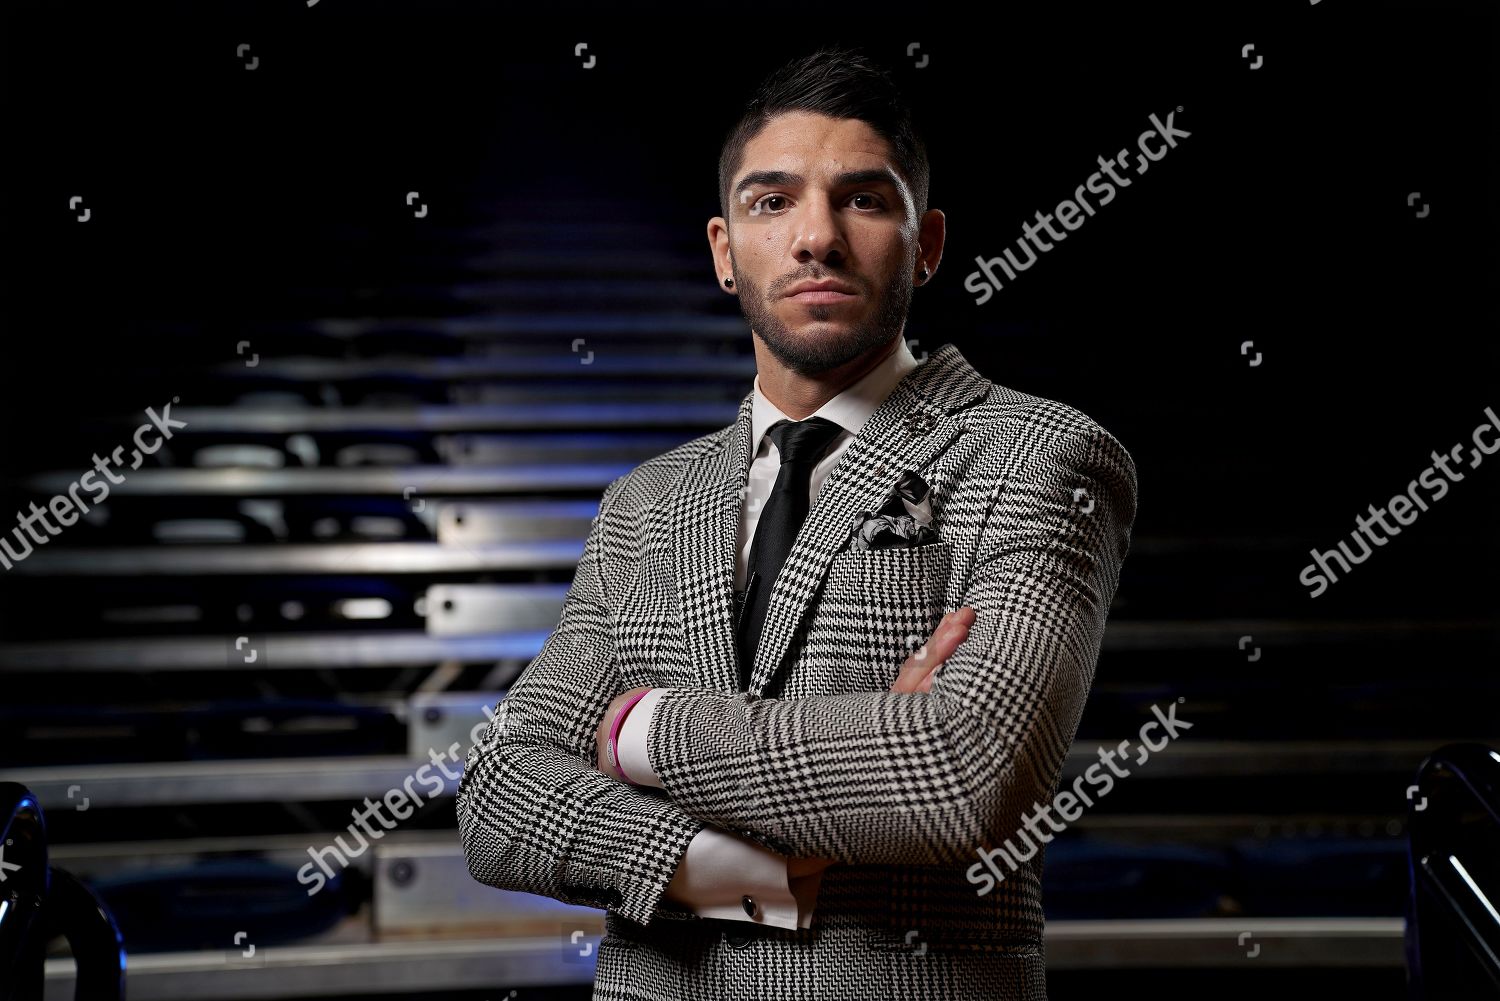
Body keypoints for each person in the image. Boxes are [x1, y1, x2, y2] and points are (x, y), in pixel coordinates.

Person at [458, 43, 1137, 1000]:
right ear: (725, 252)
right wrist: (739, 865)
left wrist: (641, 734)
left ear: (928, 243)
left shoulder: (1042, 455)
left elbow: (958, 774)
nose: (816, 235)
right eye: (772, 201)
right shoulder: (645, 504)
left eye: (863, 198)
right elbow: (498, 796)